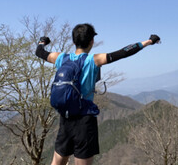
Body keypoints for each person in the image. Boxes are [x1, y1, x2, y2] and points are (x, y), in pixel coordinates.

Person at [35, 23, 160, 165]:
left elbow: (39, 52)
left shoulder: (60, 58)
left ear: (74, 41)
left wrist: (42, 42)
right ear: (91, 41)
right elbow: (124, 52)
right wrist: (148, 41)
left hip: (65, 118)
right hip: (85, 122)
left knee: (57, 162)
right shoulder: (93, 60)